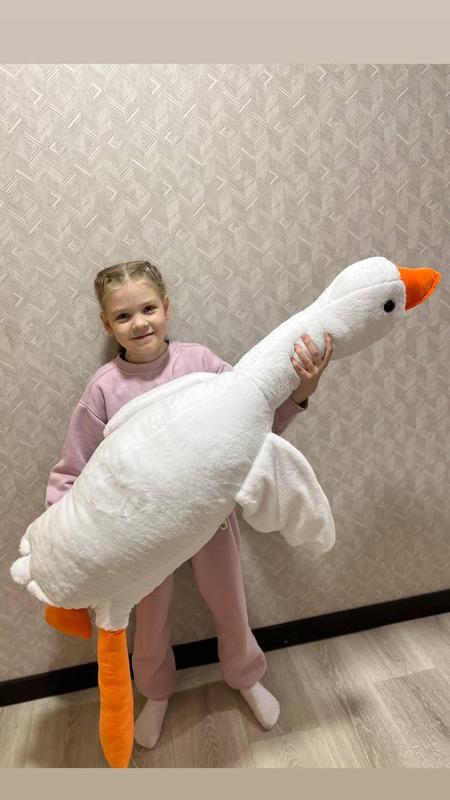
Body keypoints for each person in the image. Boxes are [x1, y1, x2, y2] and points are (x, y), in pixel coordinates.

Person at [45, 260, 334, 750]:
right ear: (106, 323)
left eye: (148, 309)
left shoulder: (201, 362)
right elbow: (75, 466)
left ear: (167, 307)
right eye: (123, 316)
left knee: (230, 603)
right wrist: (60, 533)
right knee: (149, 621)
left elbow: (252, 423)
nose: (139, 323)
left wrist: (302, 392)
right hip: (144, 532)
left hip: (210, 519)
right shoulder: (103, 388)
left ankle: (245, 677)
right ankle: (156, 693)